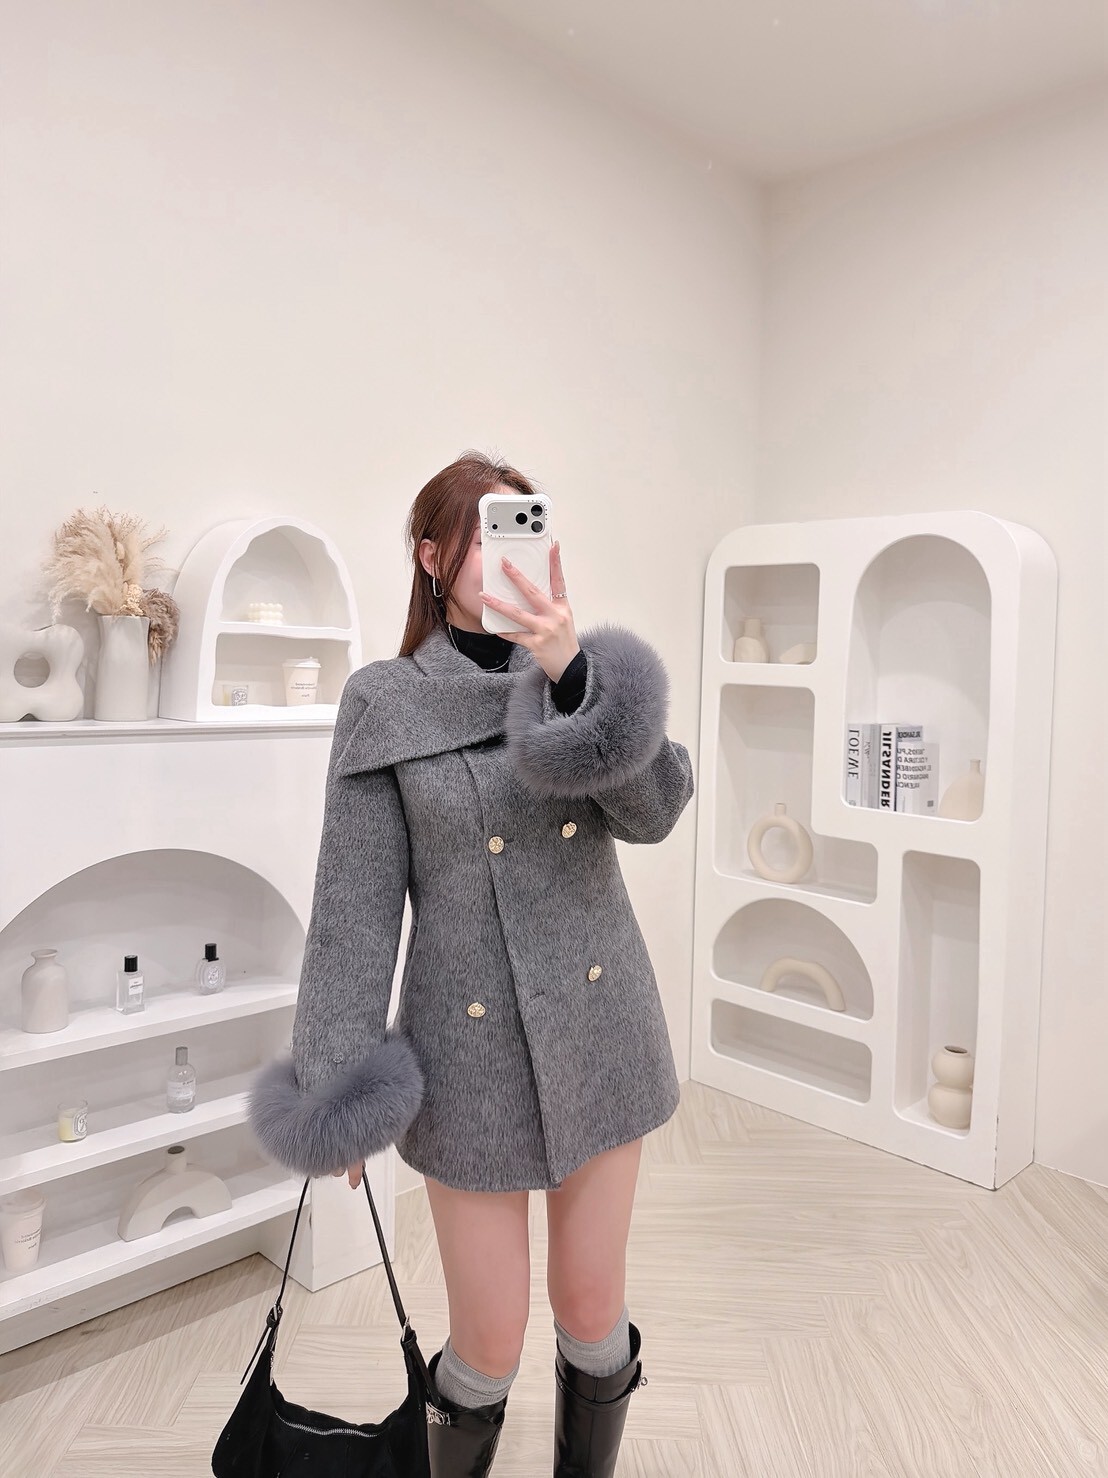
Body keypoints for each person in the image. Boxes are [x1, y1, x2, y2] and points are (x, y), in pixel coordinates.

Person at [249, 451, 694, 1477]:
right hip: (470, 1053)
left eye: (525, 531)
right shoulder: (385, 700)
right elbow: (354, 909)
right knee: (487, 1340)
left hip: (602, 1029)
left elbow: (656, 812)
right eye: (487, 535)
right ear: (432, 556)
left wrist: (574, 678)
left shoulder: (580, 682)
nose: (511, 557)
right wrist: (334, 1079)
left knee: (592, 1307)